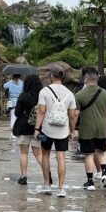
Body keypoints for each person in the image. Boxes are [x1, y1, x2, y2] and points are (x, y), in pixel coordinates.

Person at [35, 67, 78, 195]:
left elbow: (41, 111)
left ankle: (47, 185)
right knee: (61, 157)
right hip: (63, 130)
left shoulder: (44, 91)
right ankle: (61, 188)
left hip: (46, 129)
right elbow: (72, 115)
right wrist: (72, 130)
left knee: (45, 155)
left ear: (51, 76)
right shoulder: (70, 94)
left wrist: (37, 129)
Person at [75, 67, 106, 191]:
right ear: (96, 79)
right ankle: (104, 174)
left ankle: (90, 181)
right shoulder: (105, 93)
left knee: (89, 155)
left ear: (86, 79)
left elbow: (75, 114)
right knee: (102, 152)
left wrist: (72, 128)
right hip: (101, 128)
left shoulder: (79, 94)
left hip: (86, 129)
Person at [11, 74, 44, 186]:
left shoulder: (23, 96)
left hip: (23, 127)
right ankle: (47, 175)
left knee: (24, 153)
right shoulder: (42, 96)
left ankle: (24, 176)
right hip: (37, 128)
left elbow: (17, 113)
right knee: (38, 154)